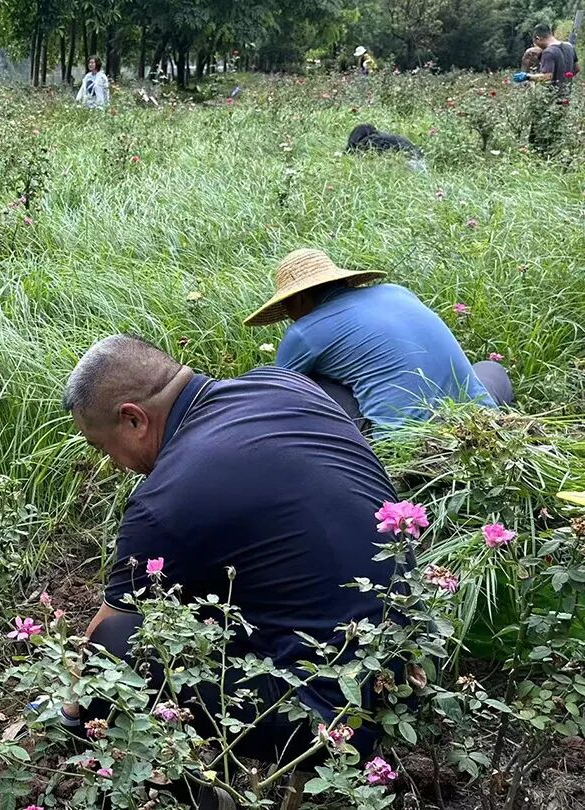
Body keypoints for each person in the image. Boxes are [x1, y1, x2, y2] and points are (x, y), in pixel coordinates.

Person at [60, 335, 408, 809]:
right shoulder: (282, 383)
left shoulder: (167, 499)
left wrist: (70, 714)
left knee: (114, 650)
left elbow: (106, 629)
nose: (114, 465)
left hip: (331, 717)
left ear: (134, 419)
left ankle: (204, 799)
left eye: (104, 448)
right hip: (404, 661)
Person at [244, 249, 513, 434]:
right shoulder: (397, 292)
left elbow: (276, 399)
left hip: (407, 441)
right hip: (479, 422)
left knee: (309, 384)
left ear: (300, 298)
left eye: (286, 307)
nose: (288, 317)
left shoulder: (304, 332)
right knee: (491, 369)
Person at [513, 24, 578, 154]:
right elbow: (576, 69)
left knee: (539, 139)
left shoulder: (548, 52)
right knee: (558, 134)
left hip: (548, 101)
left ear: (538, 38)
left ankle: (539, 160)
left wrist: (527, 76)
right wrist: (563, 79)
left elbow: (547, 76)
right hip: (565, 98)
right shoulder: (569, 47)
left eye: (535, 43)